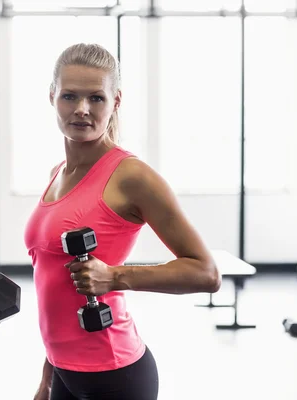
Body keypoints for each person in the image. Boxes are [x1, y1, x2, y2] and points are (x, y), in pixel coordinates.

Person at [24, 43, 222, 400]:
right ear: (52, 96)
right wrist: (47, 378)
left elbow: (206, 273)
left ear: (115, 101)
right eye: (70, 96)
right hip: (64, 372)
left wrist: (115, 276)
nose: (82, 110)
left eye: (96, 98)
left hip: (114, 373)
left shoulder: (131, 176)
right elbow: (56, 288)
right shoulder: (57, 174)